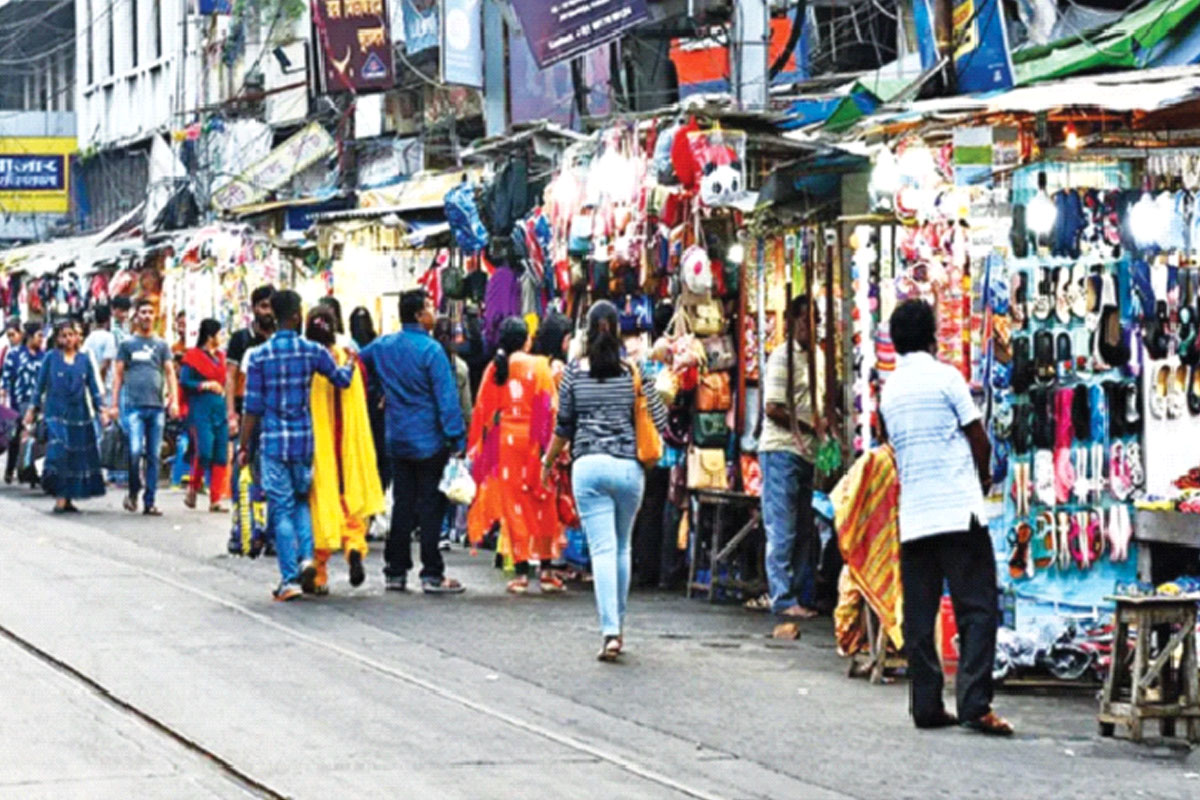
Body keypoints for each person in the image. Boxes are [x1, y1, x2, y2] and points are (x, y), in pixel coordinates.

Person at [879, 299, 1011, 736]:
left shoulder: (890, 391)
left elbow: (890, 445)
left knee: (920, 615)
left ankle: (927, 704)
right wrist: (983, 482)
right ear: (932, 335)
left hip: (915, 515)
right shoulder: (947, 378)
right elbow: (979, 439)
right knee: (978, 608)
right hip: (957, 511)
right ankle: (974, 701)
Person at [540, 300, 669, 661]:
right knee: (622, 546)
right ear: (617, 328)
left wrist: (547, 462)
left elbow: (564, 426)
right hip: (628, 469)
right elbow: (659, 416)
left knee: (602, 550)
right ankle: (619, 626)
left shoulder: (573, 375)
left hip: (589, 468)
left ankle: (609, 630)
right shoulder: (634, 371)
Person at [239, 290, 356, 602]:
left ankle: (289, 578)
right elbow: (341, 380)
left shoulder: (259, 356)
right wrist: (352, 364)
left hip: (274, 443)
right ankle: (308, 560)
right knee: (303, 501)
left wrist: (242, 445)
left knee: (282, 510)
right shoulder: (311, 351)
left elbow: (251, 407)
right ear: (294, 316)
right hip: (304, 441)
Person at [359, 289, 466, 594]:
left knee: (403, 504)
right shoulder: (431, 352)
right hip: (429, 441)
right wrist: (456, 437)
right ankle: (431, 572)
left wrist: (378, 390)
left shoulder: (384, 346)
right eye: (430, 306)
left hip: (397, 438)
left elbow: (359, 363)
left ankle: (396, 570)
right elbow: (446, 400)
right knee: (430, 506)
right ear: (420, 315)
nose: (434, 310)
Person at [467, 317, 563, 594]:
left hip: (507, 443)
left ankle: (521, 574)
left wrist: (477, 446)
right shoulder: (541, 365)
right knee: (543, 503)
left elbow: (482, 411)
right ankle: (546, 571)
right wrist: (554, 447)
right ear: (527, 340)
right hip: (536, 441)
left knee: (515, 507)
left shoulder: (496, 368)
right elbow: (550, 407)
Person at [305, 306, 384, 593]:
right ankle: (354, 546)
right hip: (348, 443)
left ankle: (318, 568)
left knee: (318, 500)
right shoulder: (348, 360)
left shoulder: (308, 361)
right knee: (349, 495)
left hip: (319, 444)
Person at [755, 294, 823, 620]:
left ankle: (801, 593)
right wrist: (809, 425)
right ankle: (783, 597)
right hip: (782, 449)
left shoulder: (819, 359)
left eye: (814, 321)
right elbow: (772, 408)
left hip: (807, 453)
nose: (809, 328)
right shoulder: (783, 358)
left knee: (804, 529)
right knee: (782, 528)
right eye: (803, 320)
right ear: (792, 323)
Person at [26, 321, 107, 512]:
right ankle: (58, 494)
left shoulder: (84, 360)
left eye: (72, 335)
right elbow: (40, 386)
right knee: (59, 452)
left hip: (79, 415)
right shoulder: (50, 358)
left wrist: (101, 410)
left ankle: (67, 498)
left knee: (75, 457)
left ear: (77, 337)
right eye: (64, 335)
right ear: (58, 338)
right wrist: (32, 409)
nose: (68, 339)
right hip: (55, 413)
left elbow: (93, 388)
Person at [111, 299, 179, 516]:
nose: (147, 316)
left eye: (151, 312)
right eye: (144, 312)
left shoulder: (161, 345)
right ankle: (133, 490)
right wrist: (113, 405)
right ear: (136, 316)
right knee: (134, 450)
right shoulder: (127, 345)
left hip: (156, 407)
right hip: (133, 407)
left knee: (153, 455)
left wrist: (174, 400)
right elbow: (118, 375)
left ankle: (150, 500)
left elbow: (169, 372)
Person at [179, 319, 229, 513]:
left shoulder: (221, 357)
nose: (221, 337)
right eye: (219, 334)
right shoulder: (192, 357)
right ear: (210, 336)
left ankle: (215, 499)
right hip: (200, 409)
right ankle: (194, 485)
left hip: (219, 408)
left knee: (221, 453)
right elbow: (184, 381)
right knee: (205, 450)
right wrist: (204, 385)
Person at [226, 284, 275, 436]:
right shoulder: (240, 338)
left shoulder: (280, 339)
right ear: (254, 308)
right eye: (264, 306)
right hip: (245, 410)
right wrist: (231, 414)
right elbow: (230, 377)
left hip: (274, 411)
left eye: (272, 307)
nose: (268, 312)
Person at [4, 322, 47, 486]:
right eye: (39, 336)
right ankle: (11, 468)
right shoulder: (14, 354)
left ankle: (31, 472)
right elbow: (6, 377)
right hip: (19, 401)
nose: (41, 340)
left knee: (37, 437)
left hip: (39, 402)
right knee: (17, 436)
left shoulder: (44, 356)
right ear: (29, 337)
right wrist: (4, 394)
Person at [82, 305, 119, 406]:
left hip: (91, 387)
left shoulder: (89, 339)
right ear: (108, 320)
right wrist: (99, 387)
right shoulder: (109, 337)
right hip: (105, 388)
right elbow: (105, 364)